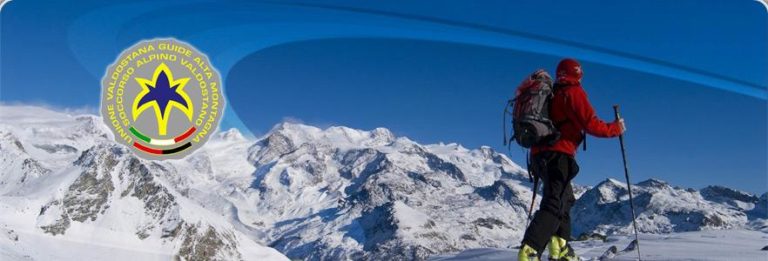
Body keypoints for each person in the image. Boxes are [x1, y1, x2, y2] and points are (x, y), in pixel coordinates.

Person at [518, 58, 626, 261]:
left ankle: (561, 249)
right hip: (558, 156)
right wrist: (616, 128)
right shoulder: (572, 92)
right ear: (577, 73)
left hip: (539, 155)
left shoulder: (553, 94)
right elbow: (591, 124)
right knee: (554, 203)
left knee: (564, 200)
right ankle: (529, 251)